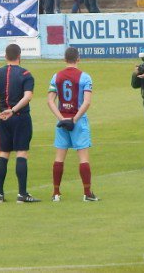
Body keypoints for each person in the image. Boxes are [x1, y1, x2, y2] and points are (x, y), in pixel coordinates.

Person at [0, 44, 40, 203]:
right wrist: (14, 109)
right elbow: (28, 97)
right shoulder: (26, 74)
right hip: (20, 117)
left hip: (3, 119)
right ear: (20, 56)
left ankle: (0, 194)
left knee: (3, 154)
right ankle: (22, 194)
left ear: (5, 56)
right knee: (21, 153)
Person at [47, 47, 98, 202]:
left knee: (59, 157)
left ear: (64, 59)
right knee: (83, 157)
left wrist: (61, 118)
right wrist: (74, 119)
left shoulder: (56, 76)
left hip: (62, 122)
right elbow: (87, 102)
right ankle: (87, 193)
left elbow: (50, 101)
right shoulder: (85, 77)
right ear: (78, 59)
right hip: (78, 121)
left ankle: (56, 193)